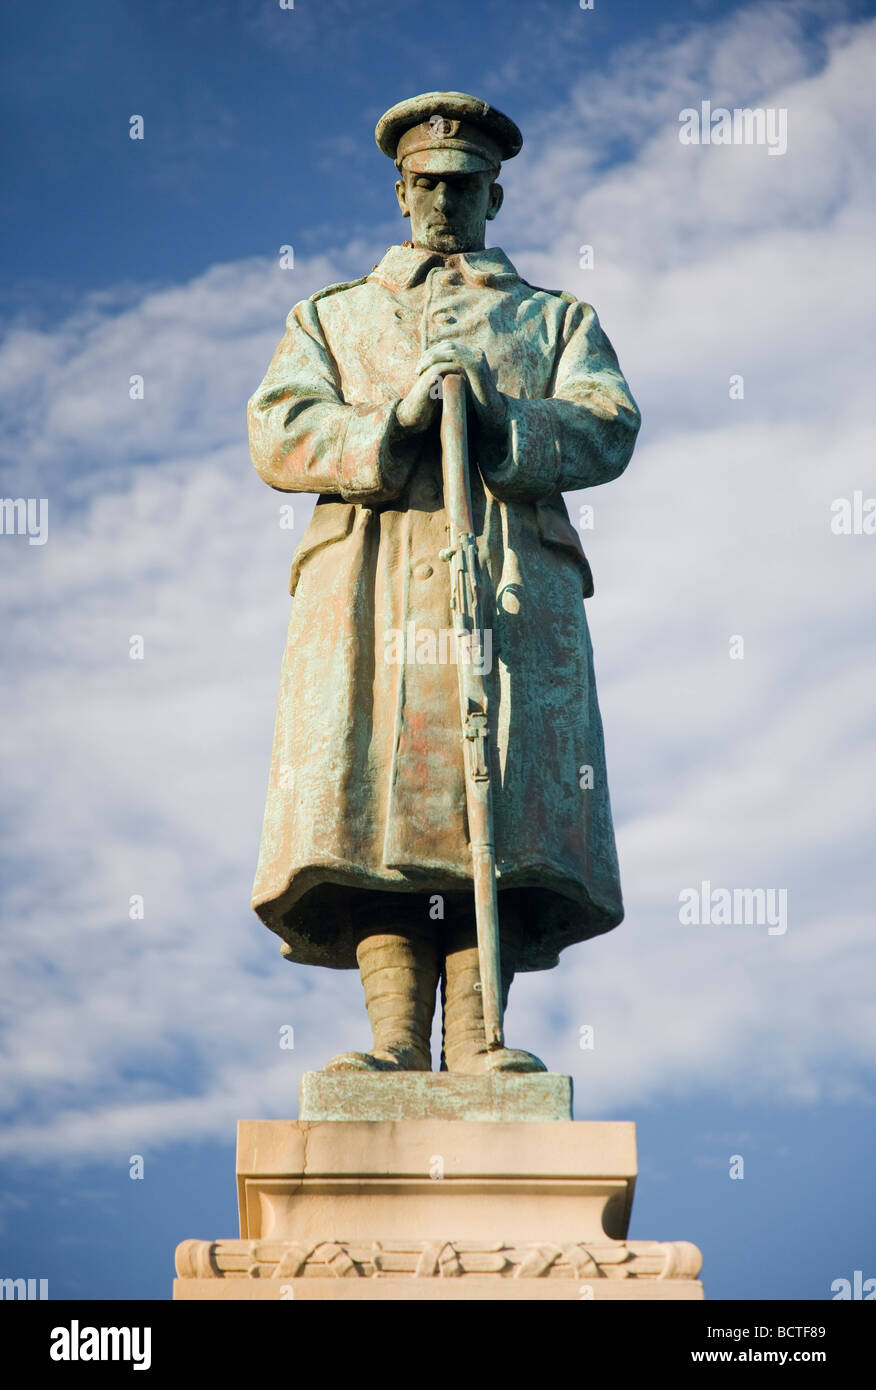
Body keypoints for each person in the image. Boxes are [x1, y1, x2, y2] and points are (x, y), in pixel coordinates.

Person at [247, 91, 640, 1073]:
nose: (445, 203)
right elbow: (278, 428)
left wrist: (505, 415)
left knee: (494, 805)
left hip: (507, 586)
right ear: (400, 191)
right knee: (382, 807)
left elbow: (607, 423)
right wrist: (390, 421)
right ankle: (391, 1039)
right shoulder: (333, 316)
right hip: (371, 590)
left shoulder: (554, 319)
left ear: (494, 197)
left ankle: (480, 1040)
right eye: (427, 186)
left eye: (464, 188)